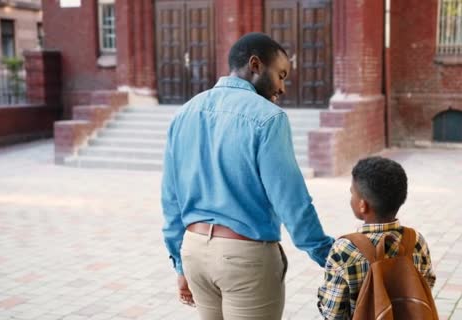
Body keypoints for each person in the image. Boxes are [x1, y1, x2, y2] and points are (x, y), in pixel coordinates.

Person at [161, 32, 334, 320]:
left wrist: (180, 264)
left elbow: (170, 199)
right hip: (245, 259)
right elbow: (291, 200)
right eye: (280, 75)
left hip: (194, 252)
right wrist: (327, 255)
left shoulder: (184, 114)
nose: (282, 88)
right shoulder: (268, 117)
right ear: (255, 65)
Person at [317, 156, 436, 320]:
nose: (351, 197)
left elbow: (333, 313)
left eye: (352, 193)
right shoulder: (416, 240)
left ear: (362, 205)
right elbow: (427, 284)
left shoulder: (344, 249)